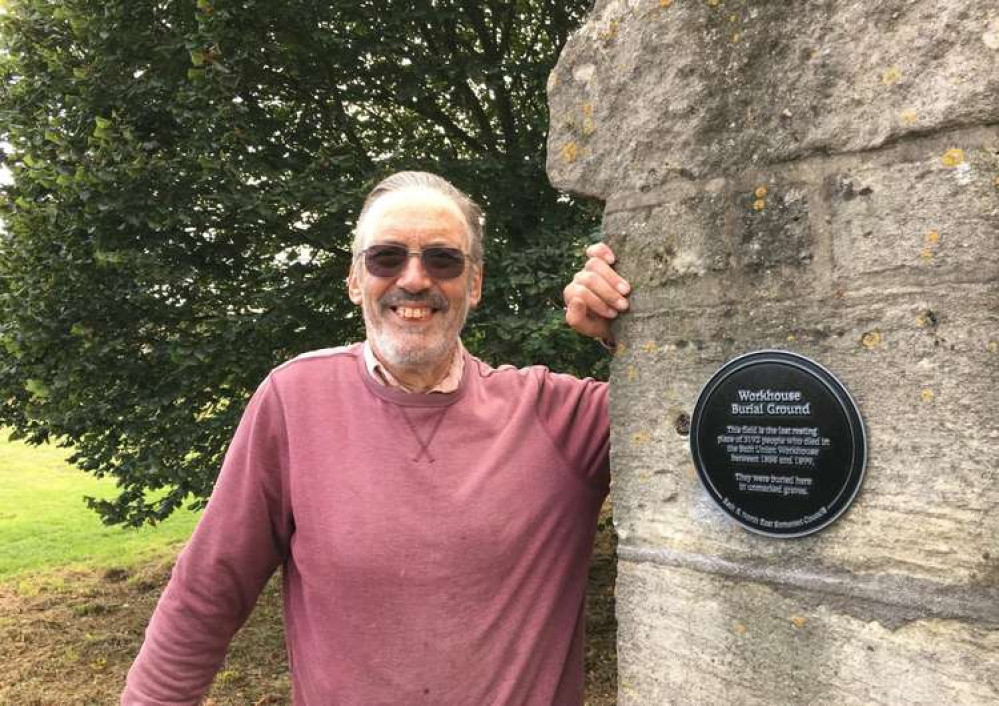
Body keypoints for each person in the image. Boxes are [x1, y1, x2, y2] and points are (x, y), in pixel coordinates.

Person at [121, 171, 631, 705]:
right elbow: (207, 592)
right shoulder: (294, 401)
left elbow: (708, 421)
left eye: (443, 259)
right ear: (355, 280)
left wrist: (626, 334)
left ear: (474, 284)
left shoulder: (560, 418)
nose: (414, 279)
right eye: (386, 258)